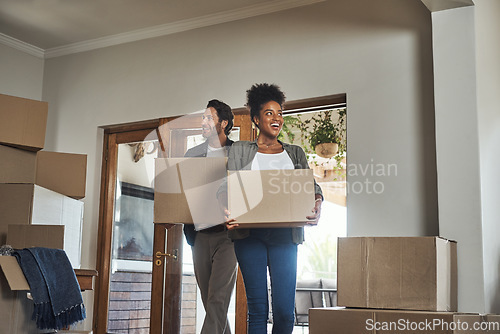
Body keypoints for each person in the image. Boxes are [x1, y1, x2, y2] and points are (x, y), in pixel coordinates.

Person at [220, 83, 323, 334]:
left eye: (280, 113)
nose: (277, 118)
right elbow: (226, 188)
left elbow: (311, 186)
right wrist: (226, 210)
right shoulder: (241, 150)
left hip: (285, 236)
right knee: (257, 310)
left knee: (285, 313)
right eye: (269, 113)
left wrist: (318, 202)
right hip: (249, 235)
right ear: (256, 119)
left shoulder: (295, 153)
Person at [183, 99, 237, 334]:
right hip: (200, 235)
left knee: (217, 300)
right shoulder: (192, 154)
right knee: (211, 303)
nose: (203, 122)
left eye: (209, 117)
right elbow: (182, 192)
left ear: (223, 123)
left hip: (229, 237)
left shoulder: (239, 152)